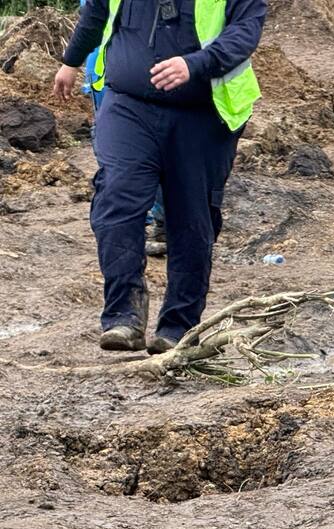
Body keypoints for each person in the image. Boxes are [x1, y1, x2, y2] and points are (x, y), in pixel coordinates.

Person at [53, 0, 265, 354]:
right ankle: (123, 316)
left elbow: (245, 32)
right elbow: (97, 11)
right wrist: (71, 61)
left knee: (191, 219)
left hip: (203, 112)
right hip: (127, 102)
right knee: (117, 197)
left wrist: (195, 64)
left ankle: (178, 326)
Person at [78, 0, 168, 258]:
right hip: (113, 71)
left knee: (137, 157)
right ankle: (147, 223)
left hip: (128, 73)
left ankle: (151, 222)